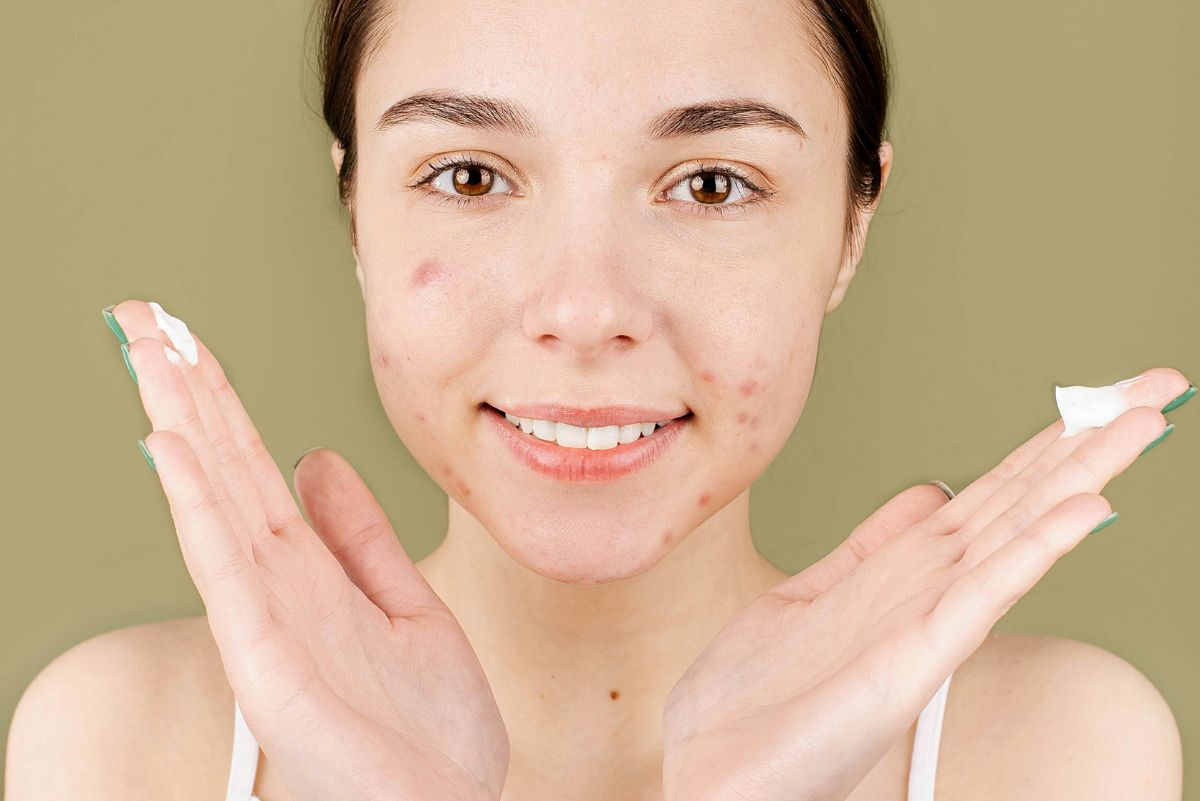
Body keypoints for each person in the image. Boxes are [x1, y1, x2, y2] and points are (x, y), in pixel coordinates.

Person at [6, 0, 1191, 799]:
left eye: (713, 183)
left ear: (851, 223)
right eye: (467, 175)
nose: (583, 307)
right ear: (356, 209)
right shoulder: (118, 745)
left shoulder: (1056, 754)